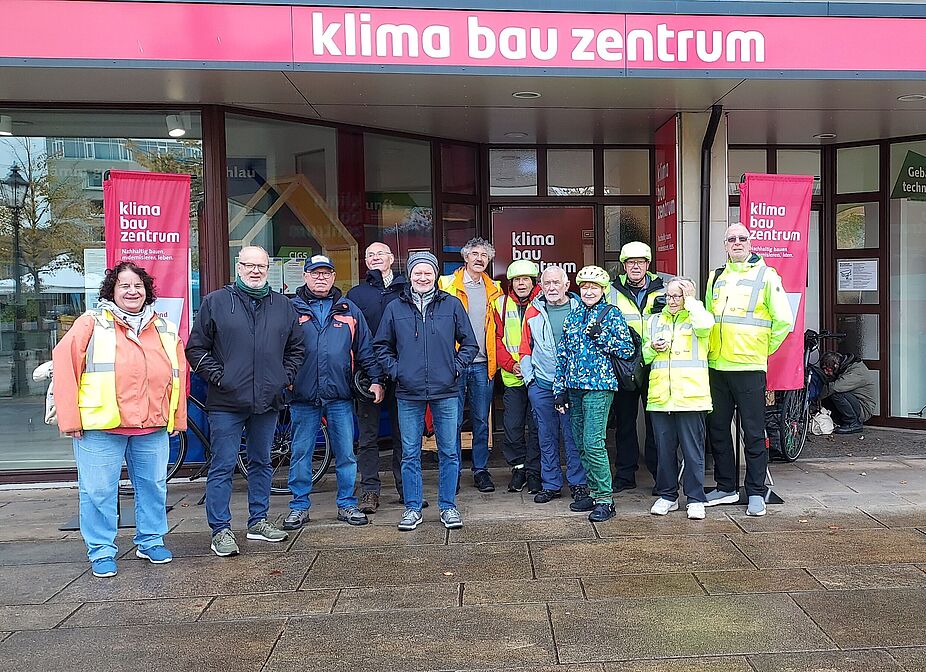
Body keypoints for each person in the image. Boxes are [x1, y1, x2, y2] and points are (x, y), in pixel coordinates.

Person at [53, 261, 187, 577]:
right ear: (111, 290)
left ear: (147, 291)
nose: (132, 291)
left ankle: (151, 541)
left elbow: (180, 376)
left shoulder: (164, 328)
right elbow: (65, 365)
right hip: (101, 425)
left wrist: (176, 418)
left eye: (138, 285)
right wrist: (70, 418)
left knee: (154, 487)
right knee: (98, 490)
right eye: (124, 285)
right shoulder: (91, 323)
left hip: (151, 424)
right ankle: (101, 550)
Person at [187, 245, 305, 556]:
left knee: (262, 463)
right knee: (224, 465)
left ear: (269, 270)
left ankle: (258, 521)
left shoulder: (283, 306)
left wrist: (283, 376)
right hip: (226, 401)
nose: (255, 271)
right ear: (238, 268)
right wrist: (220, 377)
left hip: (268, 400)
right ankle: (221, 530)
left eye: (261, 266)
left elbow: (297, 349)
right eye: (249, 265)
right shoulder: (216, 302)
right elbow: (195, 349)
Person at [375, 251, 478, 531]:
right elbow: (381, 346)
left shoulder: (452, 305)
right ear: (410, 275)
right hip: (408, 392)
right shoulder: (395, 308)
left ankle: (448, 507)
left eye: (428, 272)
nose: (423, 277)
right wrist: (397, 372)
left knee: (448, 452)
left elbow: (470, 344)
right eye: (417, 272)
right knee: (409, 453)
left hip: (446, 391)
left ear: (435, 275)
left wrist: (455, 368)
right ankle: (412, 508)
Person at [283, 254, 385, 530]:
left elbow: (365, 349)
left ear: (332, 277)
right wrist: (285, 382)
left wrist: (376, 379)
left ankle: (347, 505)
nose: (320, 278)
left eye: (326, 273)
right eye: (315, 273)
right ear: (304, 276)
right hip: (303, 396)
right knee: (302, 453)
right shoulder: (289, 309)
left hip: (340, 395)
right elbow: (277, 350)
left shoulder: (348, 309)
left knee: (346, 454)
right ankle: (299, 506)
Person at [704, 224, 794, 517]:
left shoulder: (767, 276)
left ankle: (755, 491)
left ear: (750, 243)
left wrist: (760, 350)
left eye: (742, 238)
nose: (737, 243)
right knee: (717, 430)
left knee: (753, 432)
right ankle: (726, 486)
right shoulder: (715, 277)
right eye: (732, 239)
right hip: (717, 366)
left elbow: (784, 321)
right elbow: (707, 320)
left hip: (749, 367)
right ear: (725, 244)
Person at [554, 265, 635, 523]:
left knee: (593, 442)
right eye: (585, 287)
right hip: (575, 388)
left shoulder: (612, 314)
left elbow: (626, 349)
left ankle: (605, 499)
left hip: (600, 386)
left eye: (594, 287)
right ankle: (592, 489)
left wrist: (602, 337)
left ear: (603, 290)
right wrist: (560, 390)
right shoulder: (573, 316)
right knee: (579, 444)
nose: (589, 291)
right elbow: (563, 355)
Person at [520, 266, 593, 511]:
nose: (551, 287)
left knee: (573, 436)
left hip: (572, 386)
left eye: (556, 283)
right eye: (546, 283)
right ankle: (550, 484)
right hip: (541, 384)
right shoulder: (533, 311)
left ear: (566, 284)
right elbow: (525, 349)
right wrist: (530, 381)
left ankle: (578, 484)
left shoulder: (580, 309)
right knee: (545, 436)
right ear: (541, 286)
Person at [642, 277, 714, 521]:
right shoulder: (654, 320)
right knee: (664, 451)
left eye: (678, 296)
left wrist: (692, 301)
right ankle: (668, 496)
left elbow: (706, 327)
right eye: (670, 296)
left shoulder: (697, 318)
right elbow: (644, 354)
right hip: (661, 397)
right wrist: (652, 347)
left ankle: (695, 499)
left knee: (693, 453)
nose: (672, 301)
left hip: (691, 397)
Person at [439, 237, 504, 493]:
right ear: (465, 257)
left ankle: (480, 471)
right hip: (454, 363)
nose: (479, 258)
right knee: (451, 421)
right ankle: (451, 473)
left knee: (480, 420)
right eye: (474, 254)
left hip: (482, 364)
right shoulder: (446, 285)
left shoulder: (495, 290)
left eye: (484, 255)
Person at [346, 242, 407, 513]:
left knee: (403, 434)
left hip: (401, 373)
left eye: (380, 254)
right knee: (368, 437)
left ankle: (407, 489)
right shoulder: (356, 294)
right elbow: (352, 337)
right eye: (370, 255)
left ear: (391, 259)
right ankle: (370, 491)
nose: (375, 258)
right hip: (367, 374)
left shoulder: (406, 290)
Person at [607, 241, 666, 493]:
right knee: (626, 422)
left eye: (640, 262)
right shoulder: (611, 291)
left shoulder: (663, 289)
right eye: (631, 263)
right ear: (623, 266)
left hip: (655, 363)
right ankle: (625, 474)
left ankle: (659, 475)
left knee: (656, 423)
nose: (635, 267)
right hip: (625, 365)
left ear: (647, 265)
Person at [494, 259, 542, 494]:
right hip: (513, 378)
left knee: (536, 427)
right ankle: (519, 468)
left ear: (533, 281)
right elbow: (496, 340)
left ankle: (534, 471)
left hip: (539, 378)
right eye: (517, 279)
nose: (521, 283)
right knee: (512, 427)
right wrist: (512, 365)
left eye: (525, 279)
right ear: (511, 282)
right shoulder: (500, 304)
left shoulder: (544, 302)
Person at [818, 351, 877, 434]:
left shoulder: (857, 371)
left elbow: (835, 387)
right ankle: (838, 420)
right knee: (830, 390)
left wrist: (814, 398)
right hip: (855, 402)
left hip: (863, 409)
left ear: (836, 365)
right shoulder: (847, 368)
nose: (826, 372)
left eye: (827, 369)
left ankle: (853, 423)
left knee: (836, 392)